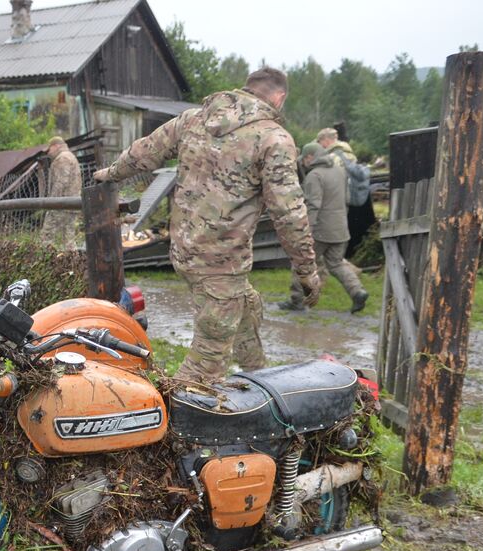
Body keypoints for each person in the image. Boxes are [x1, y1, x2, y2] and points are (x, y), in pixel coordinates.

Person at [93, 67, 319, 384]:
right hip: (222, 264)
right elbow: (289, 212)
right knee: (204, 367)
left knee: (246, 305)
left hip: (185, 252)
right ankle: (171, 420)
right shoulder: (273, 139)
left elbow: (146, 151)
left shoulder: (193, 119)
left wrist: (110, 173)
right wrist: (307, 269)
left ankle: (261, 378)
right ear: (279, 98)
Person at [280, 142, 367, 313]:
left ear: (311, 157)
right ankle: (357, 292)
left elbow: (313, 205)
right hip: (341, 229)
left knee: (302, 263)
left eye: (304, 158)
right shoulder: (340, 171)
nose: (303, 162)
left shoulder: (315, 176)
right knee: (336, 264)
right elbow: (348, 199)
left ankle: (297, 302)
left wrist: (306, 230)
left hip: (320, 231)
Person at [316, 127, 376, 259]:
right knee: (361, 226)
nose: (319, 145)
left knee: (347, 227)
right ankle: (360, 254)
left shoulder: (333, 156)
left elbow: (332, 179)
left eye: (320, 141)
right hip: (362, 195)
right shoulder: (349, 153)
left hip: (345, 196)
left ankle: (346, 256)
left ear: (326, 140)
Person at [42, 136, 82, 249]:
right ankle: (72, 263)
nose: (48, 153)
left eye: (49, 150)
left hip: (61, 204)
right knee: (69, 239)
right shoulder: (71, 157)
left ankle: (47, 262)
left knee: (47, 236)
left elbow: (60, 183)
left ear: (55, 146)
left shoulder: (62, 159)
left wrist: (52, 203)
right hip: (72, 204)